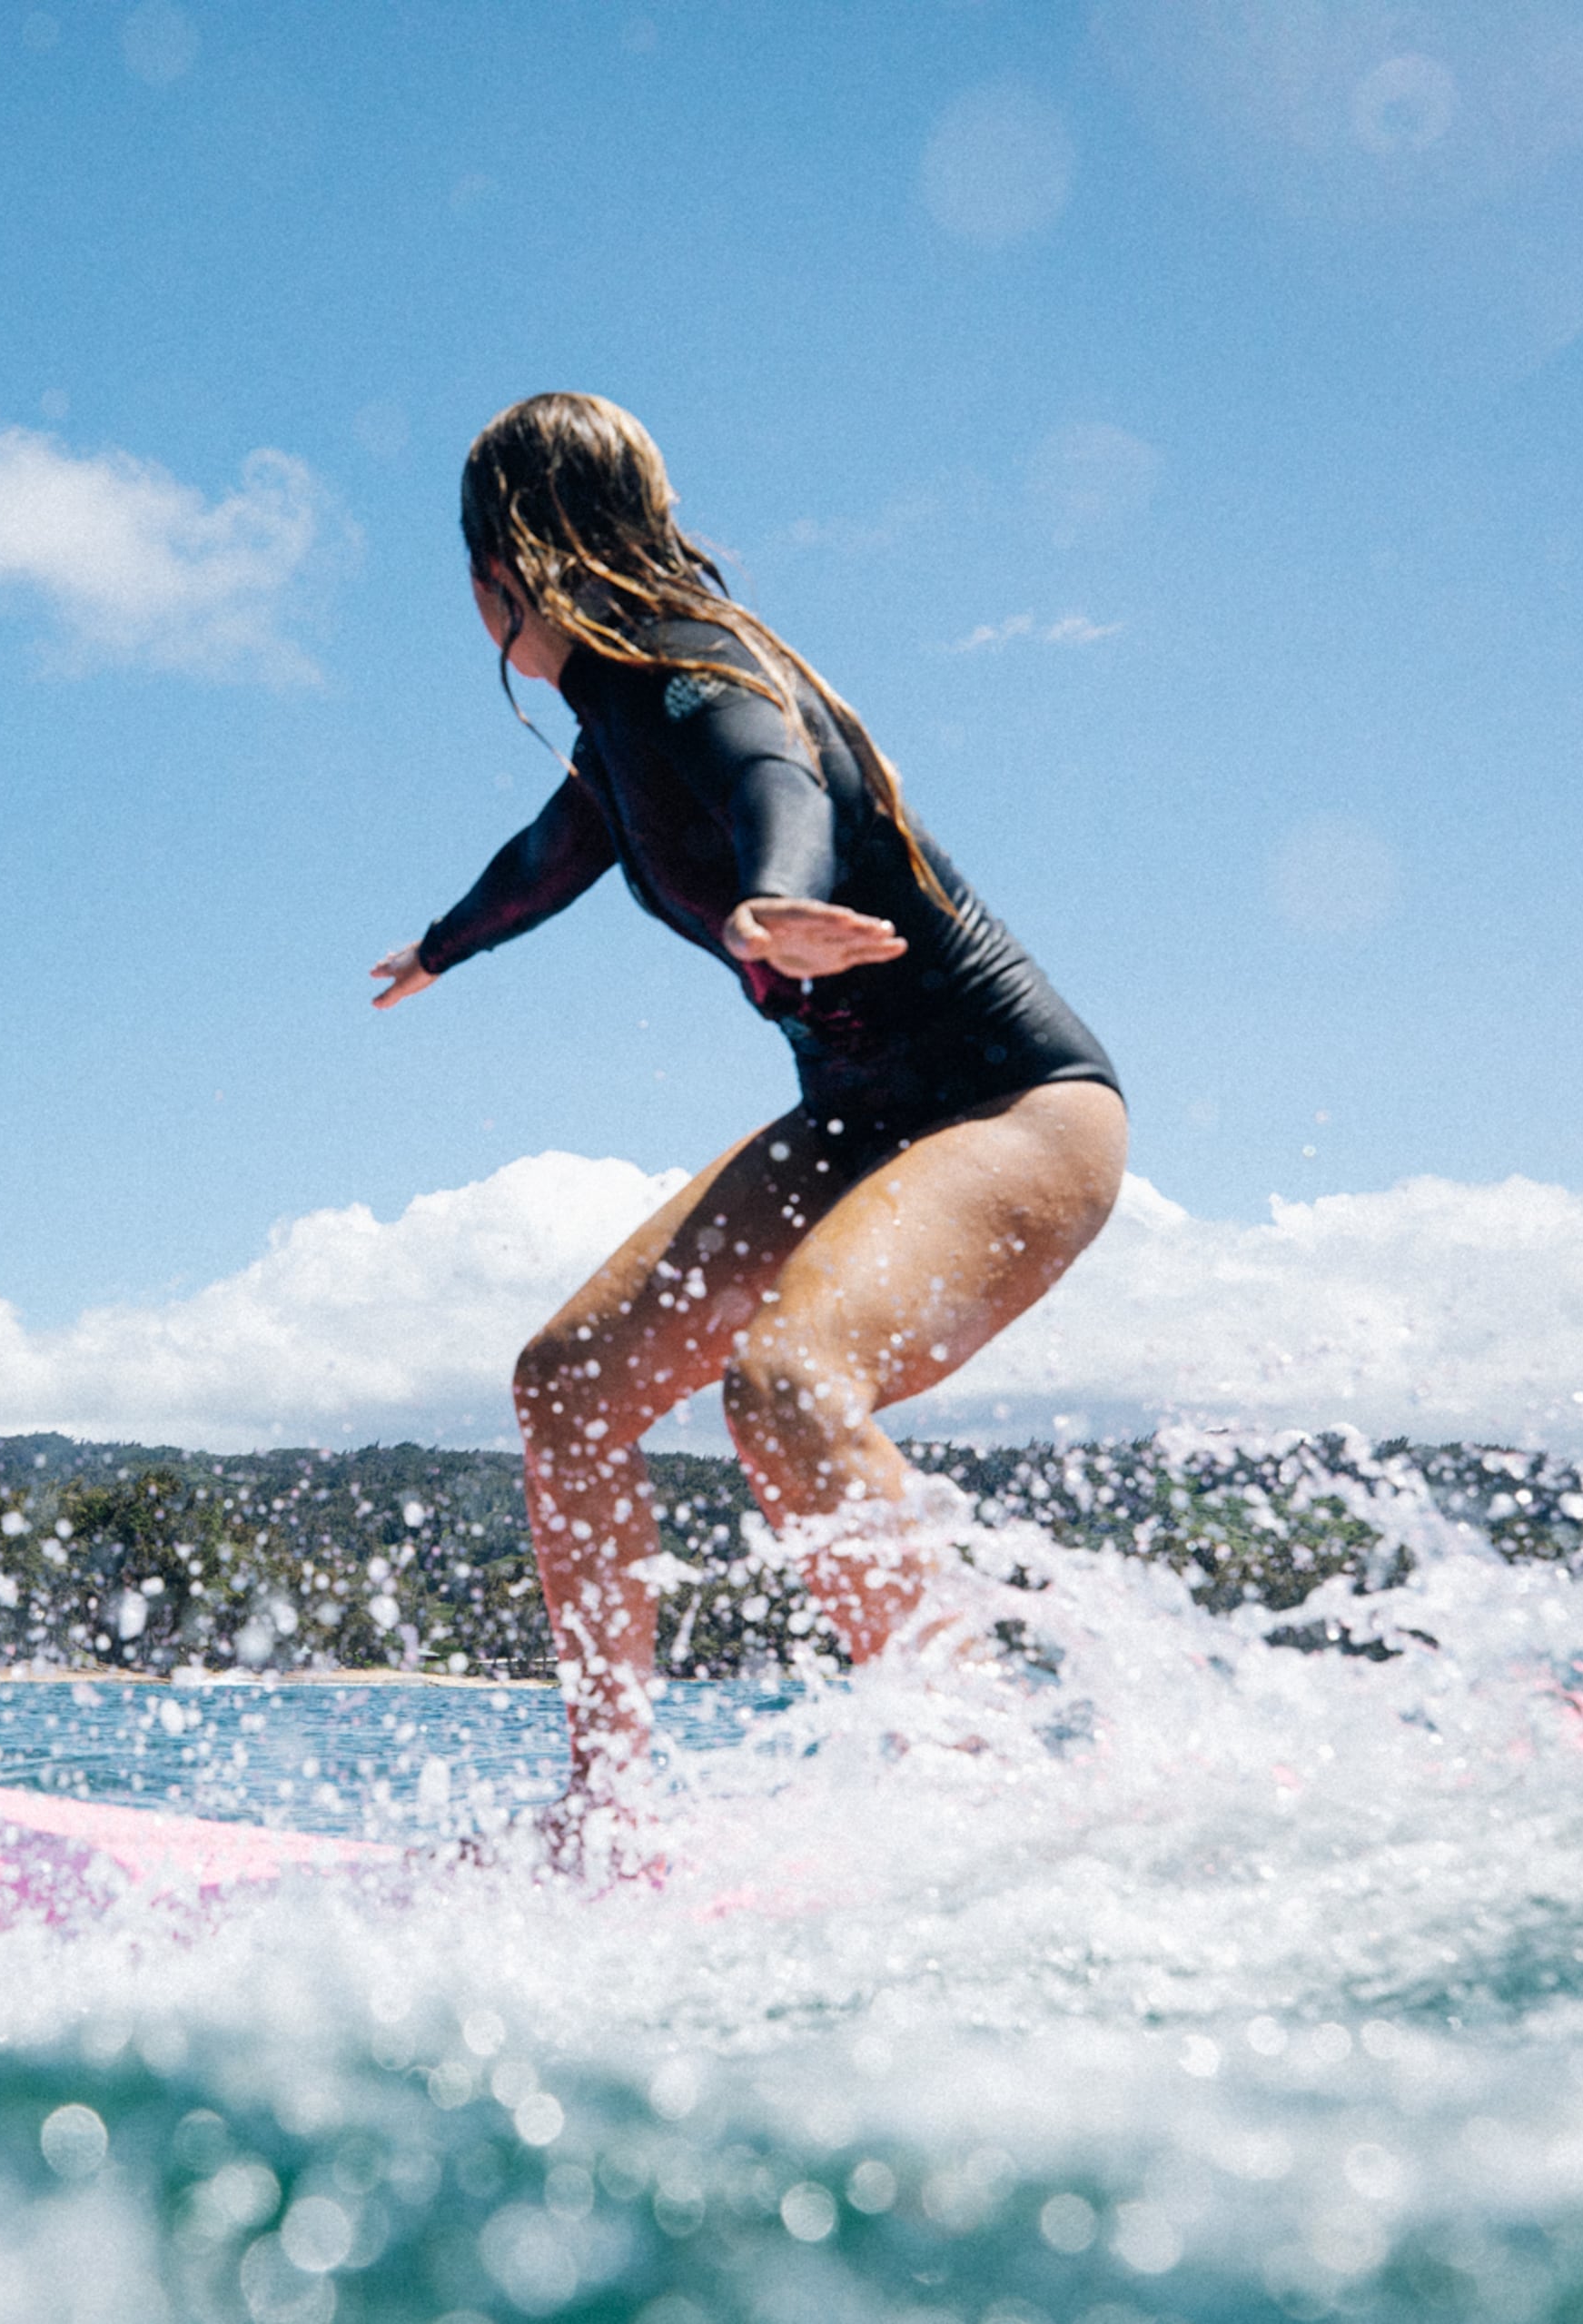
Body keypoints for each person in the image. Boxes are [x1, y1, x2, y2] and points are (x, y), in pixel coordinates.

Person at [368, 393, 1129, 1858]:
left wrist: (774, 895)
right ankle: (608, 1814)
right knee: (571, 1385)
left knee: (784, 1385)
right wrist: (444, 945)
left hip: (1013, 1107)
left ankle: (984, 1789)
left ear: (497, 574)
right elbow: (554, 852)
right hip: (859, 1118)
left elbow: (768, 771)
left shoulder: (707, 676)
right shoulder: (614, 716)